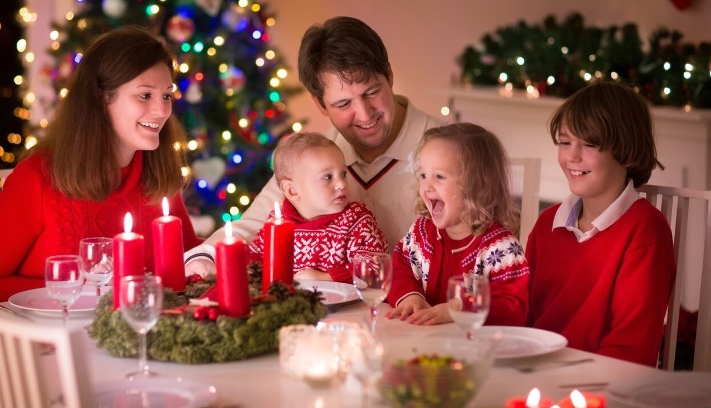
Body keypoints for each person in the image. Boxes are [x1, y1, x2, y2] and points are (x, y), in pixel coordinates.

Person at [185, 16, 444, 275]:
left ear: (389, 74)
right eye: (343, 104)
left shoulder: (451, 149)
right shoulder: (313, 156)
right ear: (320, 104)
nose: (365, 114)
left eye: (371, 92)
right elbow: (251, 226)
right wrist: (205, 258)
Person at [0, 27, 201, 303]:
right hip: (51, 341)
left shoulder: (158, 176)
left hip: (142, 338)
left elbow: (191, 259)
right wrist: (80, 291)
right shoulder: (37, 178)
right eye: (145, 95)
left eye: (166, 95)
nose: (162, 111)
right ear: (103, 99)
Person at [525, 81, 675, 366]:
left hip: (600, 386)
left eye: (590, 144)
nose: (572, 156)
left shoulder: (646, 230)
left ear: (628, 153)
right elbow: (522, 314)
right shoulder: (548, 224)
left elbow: (632, 348)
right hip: (534, 371)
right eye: (566, 142)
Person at [385, 123, 529, 326]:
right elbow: (401, 267)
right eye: (423, 175)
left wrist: (458, 309)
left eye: (440, 176)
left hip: (475, 350)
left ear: (477, 186)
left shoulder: (501, 248)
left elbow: (513, 308)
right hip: (422, 345)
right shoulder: (421, 232)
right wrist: (410, 296)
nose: (427, 186)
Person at [247, 132, 388, 283]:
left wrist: (327, 278)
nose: (342, 184)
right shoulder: (277, 222)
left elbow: (376, 267)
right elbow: (256, 258)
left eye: (343, 174)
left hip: (349, 305)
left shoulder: (356, 220)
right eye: (327, 177)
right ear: (292, 190)